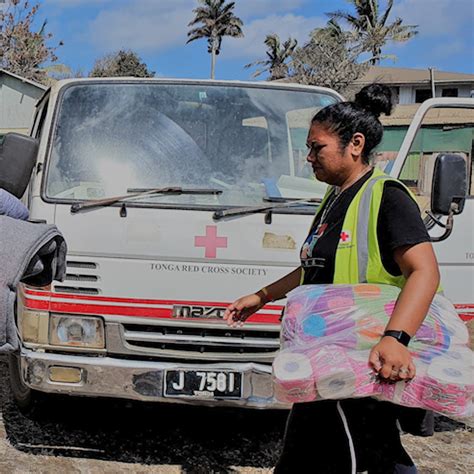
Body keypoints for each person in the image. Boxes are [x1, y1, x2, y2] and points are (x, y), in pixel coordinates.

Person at [223, 84, 440, 473]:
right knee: (305, 456)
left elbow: (424, 271)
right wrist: (262, 296)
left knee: (369, 456)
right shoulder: (336, 198)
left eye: (316, 147)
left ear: (354, 144)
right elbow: (314, 266)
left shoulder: (386, 197)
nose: (308, 158)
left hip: (362, 362)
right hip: (325, 359)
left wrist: (396, 339)